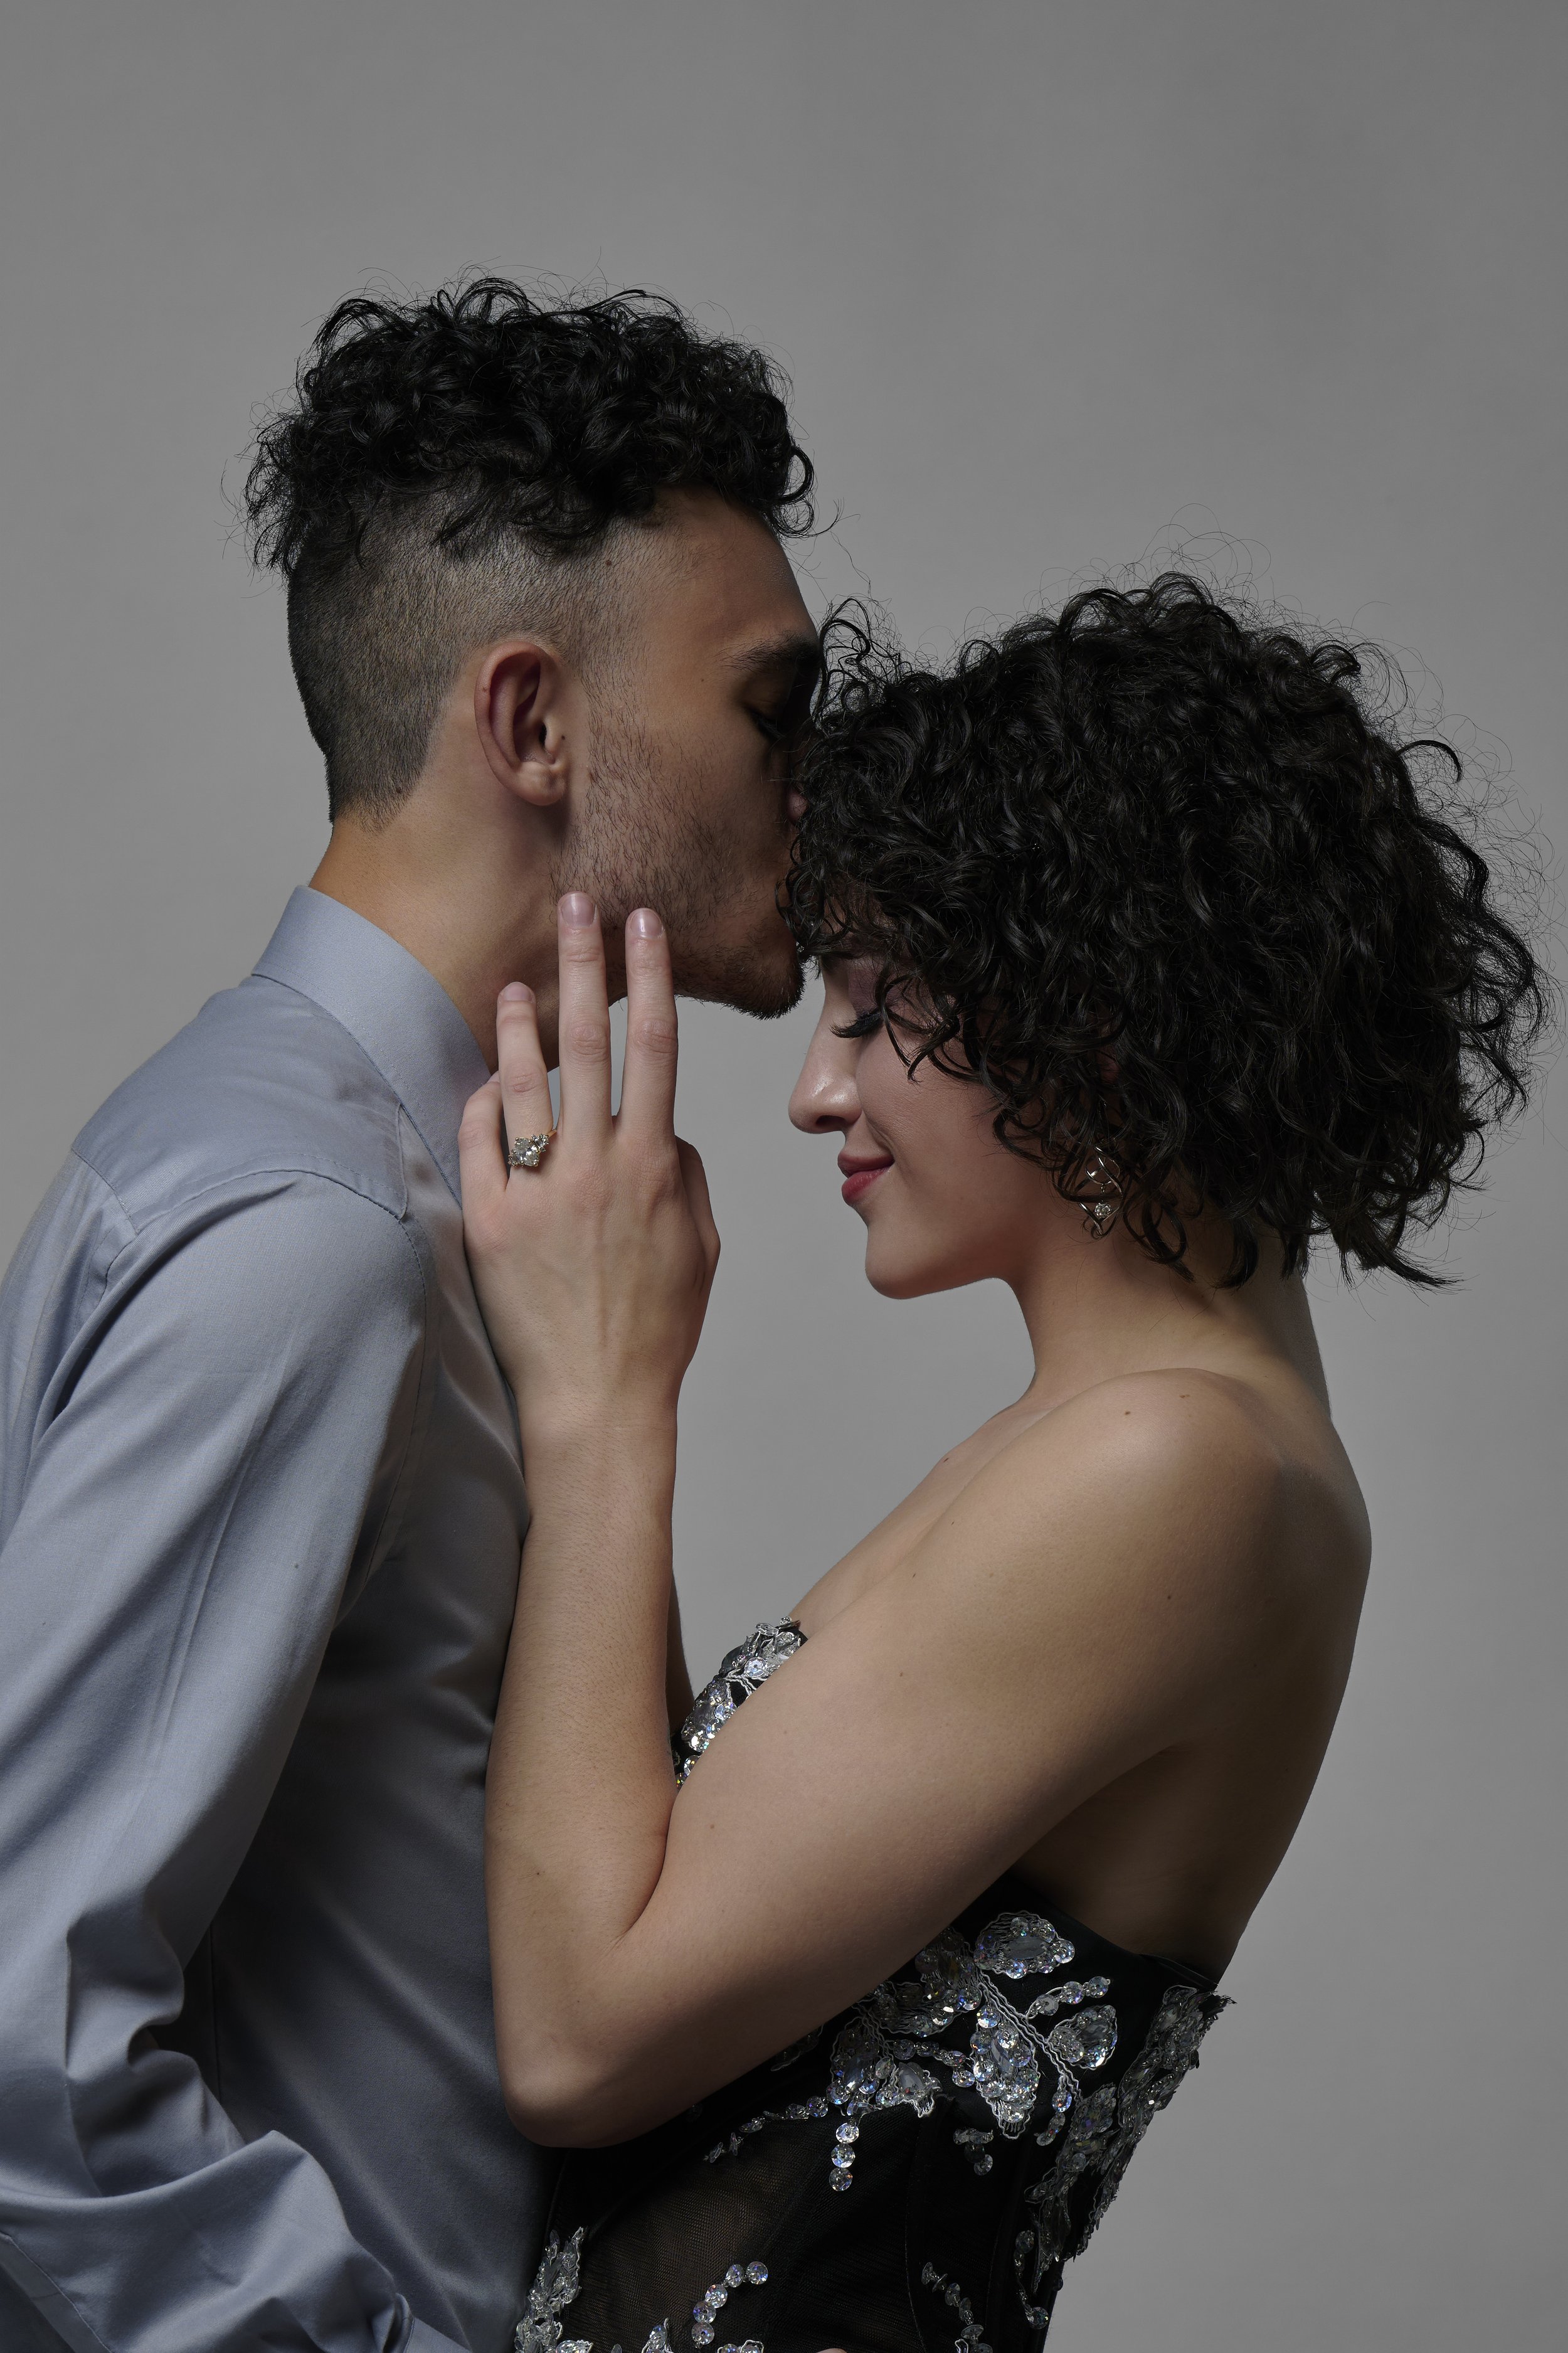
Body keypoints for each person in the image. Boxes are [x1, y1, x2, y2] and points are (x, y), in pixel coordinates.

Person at [459, 578, 1549, 2350]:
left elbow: (580, 2037)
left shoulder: (1173, 1467)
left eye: (878, 1000)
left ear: (1094, 1006)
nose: (815, 1088)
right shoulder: (1125, 1436)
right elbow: (668, 1877)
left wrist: (603, 1406)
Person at [0, 278, 824, 2353]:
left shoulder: (442, 1196)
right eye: (771, 706)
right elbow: (19, 2028)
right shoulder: (313, 1229)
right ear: (530, 723)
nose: (819, 783)